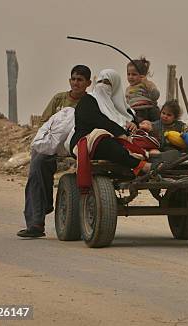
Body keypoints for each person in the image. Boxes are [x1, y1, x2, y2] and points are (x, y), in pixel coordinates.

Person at [17, 65, 92, 238]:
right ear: (69, 80)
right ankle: (36, 222)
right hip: (52, 146)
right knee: (37, 166)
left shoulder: (91, 102)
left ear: (88, 83)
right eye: (73, 79)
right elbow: (45, 123)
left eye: (80, 80)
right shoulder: (59, 99)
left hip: (75, 146)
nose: (76, 83)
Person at [70, 69, 153, 178]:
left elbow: (130, 118)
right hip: (89, 140)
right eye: (100, 82)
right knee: (109, 145)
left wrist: (133, 124)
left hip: (119, 139)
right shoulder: (88, 100)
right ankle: (141, 166)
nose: (102, 86)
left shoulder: (120, 105)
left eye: (106, 83)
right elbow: (98, 120)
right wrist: (119, 132)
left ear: (115, 85)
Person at [125, 57, 160, 122]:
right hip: (137, 112)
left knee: (155, 124)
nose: (130, 77)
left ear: (142, 75)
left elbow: (156, 96)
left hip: (150, 109)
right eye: (128, 74)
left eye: (134, 74)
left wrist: (146, 83)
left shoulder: (147, 84)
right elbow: (127, 103)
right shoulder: (128, 89)